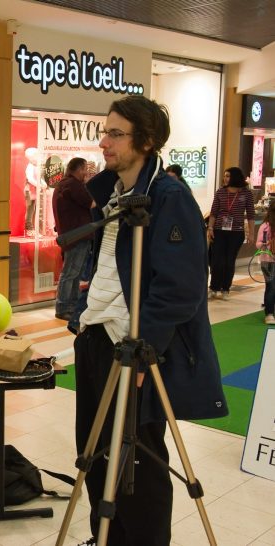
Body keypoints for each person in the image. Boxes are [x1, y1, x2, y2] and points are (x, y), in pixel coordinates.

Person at [73, 95, 228, 546]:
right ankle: (105, 537)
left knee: (138, 463)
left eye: (115, 133)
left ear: (146, 140)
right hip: (97, 336)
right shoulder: (112, 191)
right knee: (95, 454)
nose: (104, 142)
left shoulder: (169, 197)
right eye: (103, 132)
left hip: (133, 346)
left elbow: (181, 288)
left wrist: (146, 350)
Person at [52, 157, 93, 321]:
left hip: (71, 235)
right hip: (78, 235)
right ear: (80, 168)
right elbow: (92, 203)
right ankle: (63, 307)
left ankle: (72, 306)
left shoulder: (63, 184)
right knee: (70, 273)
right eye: (85, 169)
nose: (86, 173)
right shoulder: (73, 185)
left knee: (73, 274)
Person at [207, 167, 255, 299]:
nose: (225, 178)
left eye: (228, 176)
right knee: (217, 261)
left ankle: (225, 289)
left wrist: (251, 233)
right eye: (224, 176)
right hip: (219, 230)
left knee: (229, 261)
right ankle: (213, 287)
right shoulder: (220, 192)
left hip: (237, 232)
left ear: (235, 177)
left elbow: (251, 214)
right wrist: (210, 228)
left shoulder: (246, 193)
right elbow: (213, 211)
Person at [256, 202, 275, 324]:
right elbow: (258, 244)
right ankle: (269, 314)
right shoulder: (265, 226)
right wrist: (265, 244)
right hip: (268, 261)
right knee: (271, 286)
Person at [23, 147, 44, 237]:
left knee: (34, 210)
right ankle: (29, 229)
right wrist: (39, 184)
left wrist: (43, 183)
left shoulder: (36, 166)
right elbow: (30, 179)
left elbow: (38, 178)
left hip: (35, 191)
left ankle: (33, 229)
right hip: (29, 191)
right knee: (30, 210)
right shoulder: (30, 167)